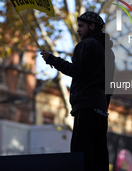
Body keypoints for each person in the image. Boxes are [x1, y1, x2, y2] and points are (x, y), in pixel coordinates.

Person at [41, 11, 115, 171]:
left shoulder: (86, 45)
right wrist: (104, 105)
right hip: (101, 110)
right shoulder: (109, 52)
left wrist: (52, 59)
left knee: (81, 155)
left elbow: (75, 70)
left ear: (92, 26)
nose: (78, 30)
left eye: (81, 26)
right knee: (99, 155)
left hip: (86, 108)